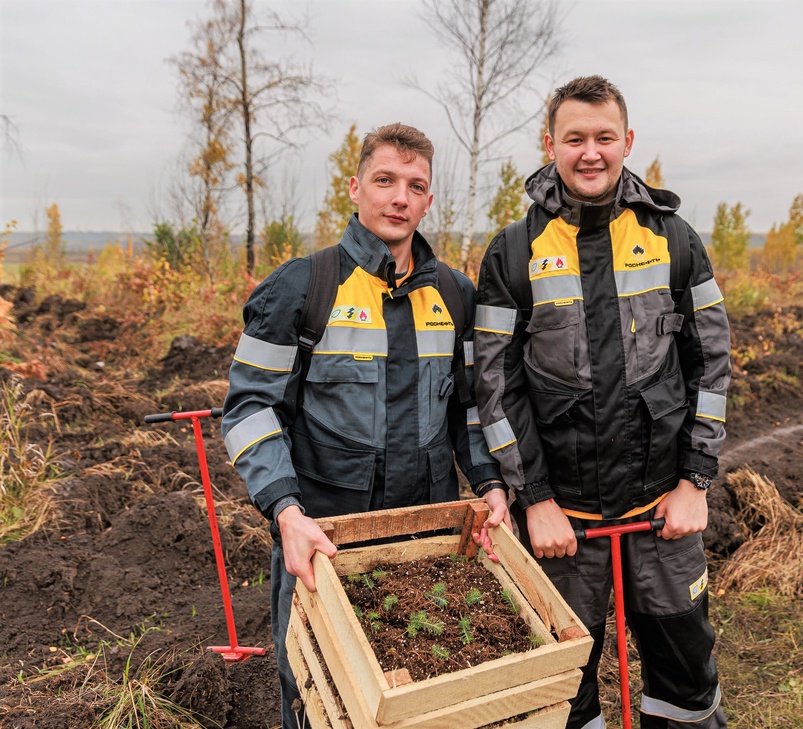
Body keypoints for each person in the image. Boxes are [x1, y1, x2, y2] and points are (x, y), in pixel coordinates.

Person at [221, 123, 506, 729]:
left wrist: (491, 487)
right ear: (354, 188)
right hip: (323, 543)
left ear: (429, 201)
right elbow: (248, 409)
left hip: (426, 541)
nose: (399, 197)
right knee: (318, 695)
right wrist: (286, 513)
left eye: (415, 185)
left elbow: (471, 411)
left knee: (425, 695)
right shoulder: (303, 288)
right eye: (385, 180)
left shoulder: (456, 296)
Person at [473, 76, 731, 729]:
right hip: (565, 527)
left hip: (661, 513)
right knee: (559, 694)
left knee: (687, 690)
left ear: (628, 142)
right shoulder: (512, 251)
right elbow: (494, 383)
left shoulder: (675, 239)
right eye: (575, 138)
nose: (591, 153)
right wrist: (535, 499)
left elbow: (712, 362)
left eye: (604, 138)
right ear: (550, 145)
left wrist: (695, 481)